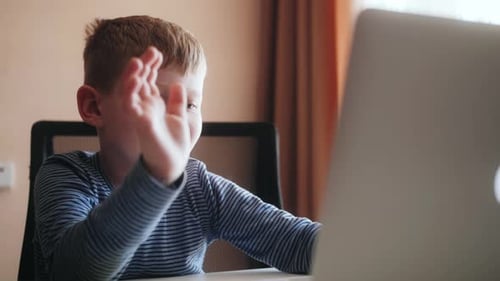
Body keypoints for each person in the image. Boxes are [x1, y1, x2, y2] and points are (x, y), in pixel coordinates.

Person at [33, 15, 321, 281]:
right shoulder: (67, 176)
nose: (178, 120)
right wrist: (155, 177)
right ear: (93, 106)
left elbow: (294, 242)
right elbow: (78, 273)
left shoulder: (200, 187)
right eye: (155, 100)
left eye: (190, 104)